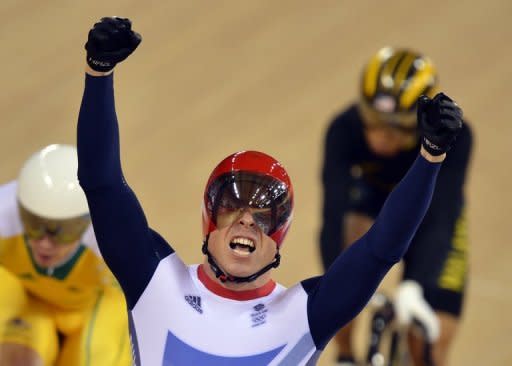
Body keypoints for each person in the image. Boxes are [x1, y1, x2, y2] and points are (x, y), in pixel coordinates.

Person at [77, 17, 463, 366]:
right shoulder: (154, 279)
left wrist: (431, 156)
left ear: (279, 238)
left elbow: (381, 249)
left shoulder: (304, 314)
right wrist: (99, 74)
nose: (246, 219)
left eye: (263, 217)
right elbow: (101, 183)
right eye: (232, 208)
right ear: (208, 221)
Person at [319, 47, 473, 366]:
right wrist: (338, 293)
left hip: (431, 219)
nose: (379, 135)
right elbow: (332, 218)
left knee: (429, 348)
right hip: (371, 207)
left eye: (395, 127)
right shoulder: (344, 130)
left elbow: (442, 217)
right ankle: (346, 355)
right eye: (373, 119)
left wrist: (416, 283)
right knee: (339, 277)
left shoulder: (455, 137)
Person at [0, 144, 132, 366]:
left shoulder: (113, 239)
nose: (43, 243)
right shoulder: (4, 210)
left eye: (62, 231)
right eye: (33, 224)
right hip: (28, 297)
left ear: (86, 222)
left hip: (96, 307)